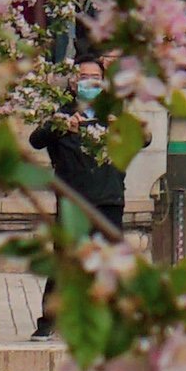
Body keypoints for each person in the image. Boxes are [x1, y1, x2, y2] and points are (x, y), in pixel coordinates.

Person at [28, 70, 129, 335]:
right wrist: (60, 125)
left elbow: (144, 137)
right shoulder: (62, 113)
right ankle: (49, 321)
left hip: (108, 198)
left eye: (95, 77)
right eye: (83, 76)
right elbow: (36, 140)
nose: (89, 82)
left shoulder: (114, 111)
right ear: (74, 83)